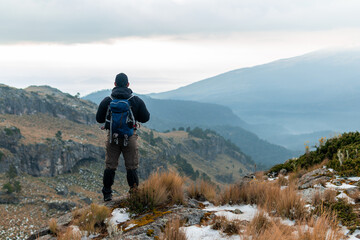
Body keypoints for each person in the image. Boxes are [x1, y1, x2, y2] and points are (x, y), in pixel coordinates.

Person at [96, 73, 150, 201]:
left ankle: (107, 195)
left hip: (112, 138)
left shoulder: (107, 100)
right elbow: (146, 118)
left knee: (110, 166)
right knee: (131, 167)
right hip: (130, 137)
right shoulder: (135, 100)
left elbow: (99, 119)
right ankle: (134, 193)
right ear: (128, 84)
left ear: (114, 84)